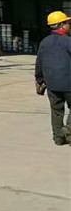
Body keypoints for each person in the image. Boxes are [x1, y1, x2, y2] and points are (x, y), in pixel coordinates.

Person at [35, 11, 71, 146]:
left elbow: (39, 64)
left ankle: (58, 138)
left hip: (52, 84)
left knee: (56, 111)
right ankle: (68, 130)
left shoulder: (44, 42)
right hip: (69, 83)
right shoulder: (68, 41)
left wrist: (40, 80)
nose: (69, 25)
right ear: (62, 25)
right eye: (68, 23)